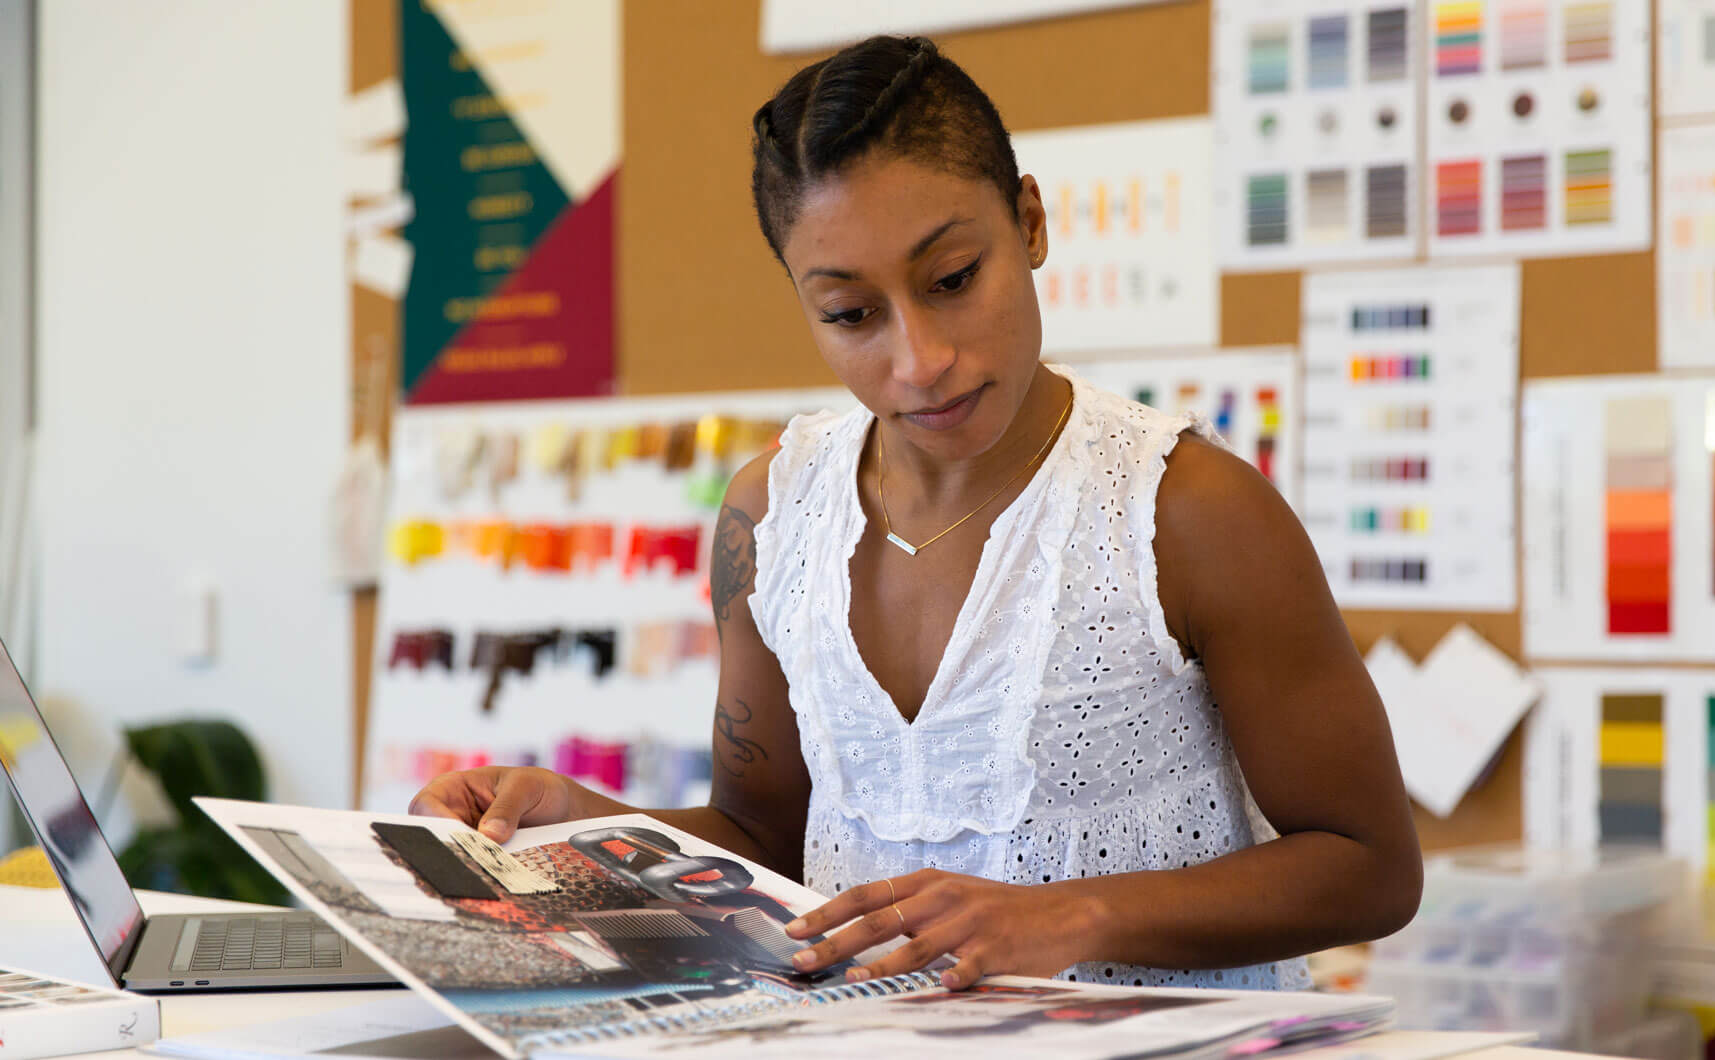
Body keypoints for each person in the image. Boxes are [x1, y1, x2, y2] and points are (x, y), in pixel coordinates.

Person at [413, 33, 1422, 993]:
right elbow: (762, 838)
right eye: (850, 314)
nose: (918, 359)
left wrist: (1068, 915)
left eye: (951, 279)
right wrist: (579, 823)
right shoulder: (771, 515)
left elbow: (1368, 864)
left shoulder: (1185, 511)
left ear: (1027, 222)